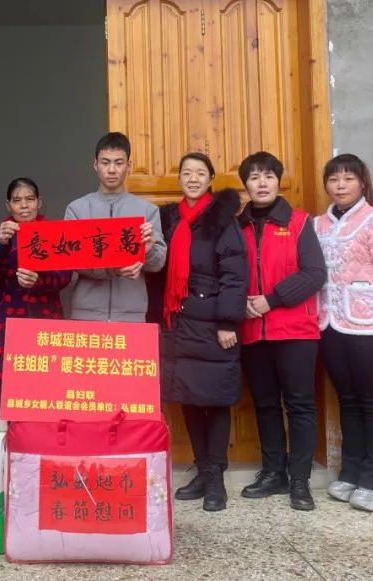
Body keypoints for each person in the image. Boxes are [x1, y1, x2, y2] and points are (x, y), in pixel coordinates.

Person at [148, 153, 247, 512]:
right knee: (188, 397)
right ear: (179, 178)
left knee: (215, 399)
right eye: (187, 173)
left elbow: (235, 274)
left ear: (210, 179)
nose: (192, 178)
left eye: (200, 173)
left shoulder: (221, 219)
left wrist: (227, 322)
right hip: (177, 321)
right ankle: (203, 471)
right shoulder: (168, 219)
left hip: (212, 323)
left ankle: (216, 476)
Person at [314, 154, 373, 512]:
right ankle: (351, 473)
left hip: (372, 327)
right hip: (330, 324)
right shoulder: (318, 225)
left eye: (348, 178)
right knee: (348, 402)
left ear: (362, 183)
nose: (340, 185)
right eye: (334, 179)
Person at [237, 151, 326, 511]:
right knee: (265, 405)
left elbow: (315, 274)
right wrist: (239, 303)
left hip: (295, 331)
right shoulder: (237, 227)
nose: (262, 183)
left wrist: (271, 300)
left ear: (278, 181)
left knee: (300, 405)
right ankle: (273, 473)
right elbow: (229, 273)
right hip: (252, 332)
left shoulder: (300, 222)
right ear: (245, 185)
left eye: (268, 176)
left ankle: (300, 480)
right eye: (254, 177)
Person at [0, 177, 70, 414]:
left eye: (30, 199)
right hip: (5, 329)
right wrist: (2, 243)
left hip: (44, 324)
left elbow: (64, 277)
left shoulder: (54, 235)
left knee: (44, 402)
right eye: (17, 201)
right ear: (8, 205)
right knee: (5, 405)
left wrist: (39, 282)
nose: (24, 205)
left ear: (39, 202)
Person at [64, 132, 166, 322]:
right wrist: (115, 270)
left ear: (129, 166)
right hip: (87, 313)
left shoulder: (146, 210)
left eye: (119, 163)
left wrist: (149, 250)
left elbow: (157, 264)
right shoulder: (77, 209)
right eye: (105, 162)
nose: (112, 170)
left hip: (131, 314)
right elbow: (72, 260)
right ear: (95, 164)